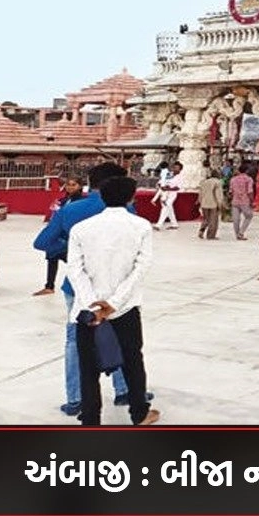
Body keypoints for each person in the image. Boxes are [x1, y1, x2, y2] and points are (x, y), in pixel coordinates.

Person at [36, 162, 148, 416]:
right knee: (121, 338)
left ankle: (75, 398)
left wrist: (69, 253)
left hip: (78, 286)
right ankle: (124, 391)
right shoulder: (128, 212)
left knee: (76, 341)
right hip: (117, 288)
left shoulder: (71, 210)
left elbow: (43, 242)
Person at [66, 175, 159, 427]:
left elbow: (75, 270)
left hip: (87, 311)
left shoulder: (81, 229)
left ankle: (91, 419)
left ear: (101, 196)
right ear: (131, 197)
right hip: (125, 309)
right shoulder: (141, 226)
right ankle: (139, 412)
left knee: (88, 368)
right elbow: (141, 267)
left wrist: (92, 305)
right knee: (132, 361)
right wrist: (114, 303)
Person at [34, 176, 84, 295]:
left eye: (74, 184)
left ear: (80, 186)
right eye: (68, 184)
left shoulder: (81, 202)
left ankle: (83, 285)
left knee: (73, 261)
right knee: (52, 256)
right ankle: (49, 286)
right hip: (58, 234)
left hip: (71, 235)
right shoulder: (63, 200)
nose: (70, 187)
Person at [154, 161, 182, 230]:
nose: (175, 169)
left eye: (177, 168)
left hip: (172, 195)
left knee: (165, 208)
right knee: (169, 209)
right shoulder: (169, 174)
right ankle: (174, 224)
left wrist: (168, 188)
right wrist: (161, 186)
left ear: (180, 169)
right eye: (174, 167)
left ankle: (158, 225)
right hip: (164, 194)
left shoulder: (180, 177)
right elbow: (160, 182)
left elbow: (178, 187)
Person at [230, 163, 255, 240]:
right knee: (249, 216)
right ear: (247, 171)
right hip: (245, 201)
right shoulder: (249, 179)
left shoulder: (233, 179)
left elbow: (231, 192)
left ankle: (237, 234)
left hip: (235, 201)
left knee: (236, 219)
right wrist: (251, 201)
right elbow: (250, 191)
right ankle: (241, 233)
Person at [197, 168, 225, 239]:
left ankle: (201, 231)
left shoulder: (204, 182)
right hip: (213, 204)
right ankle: (211, 235)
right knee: (213, 220)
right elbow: (218, 195)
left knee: (206, 219)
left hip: (204, 203)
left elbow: (200, 193)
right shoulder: (217, 182)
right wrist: (220, 204)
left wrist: (200, 201)